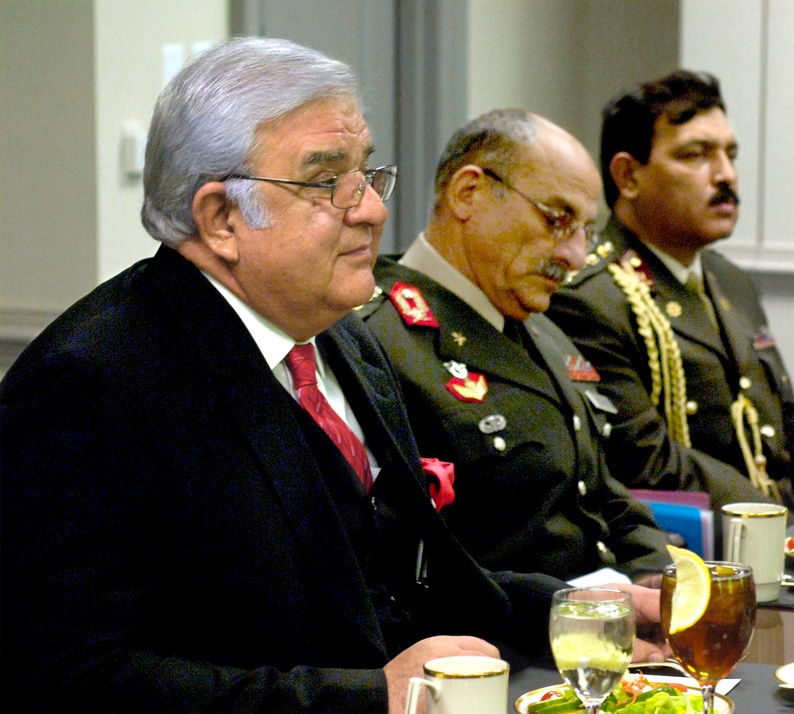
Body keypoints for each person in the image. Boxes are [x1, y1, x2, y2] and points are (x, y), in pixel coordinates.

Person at [0, 39, 668, 714]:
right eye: (327, 184)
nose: (374, 211)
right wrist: (371, 696)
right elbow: (75, 680)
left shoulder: (340, 336)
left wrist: (573, 612)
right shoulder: (91, 383)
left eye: (367, 174)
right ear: (222, 218)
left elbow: (408, 576)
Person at [357, 109, 680, 585]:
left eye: (585, 230)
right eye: (557, 219)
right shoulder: (379, 337)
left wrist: (659, 576)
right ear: (470, 193)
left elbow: (599, 493)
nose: (574, 256)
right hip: (505, 643)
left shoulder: (542, 328)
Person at [548, 71, 794, 519]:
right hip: (699, 548)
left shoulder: (727, 278)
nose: (726, 175)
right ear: (628, 175)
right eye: (695, 155)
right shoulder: (591, 298)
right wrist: (779, 522)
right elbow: (646, 462)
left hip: (776, 530)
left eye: (730, 154)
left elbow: (789, 416)